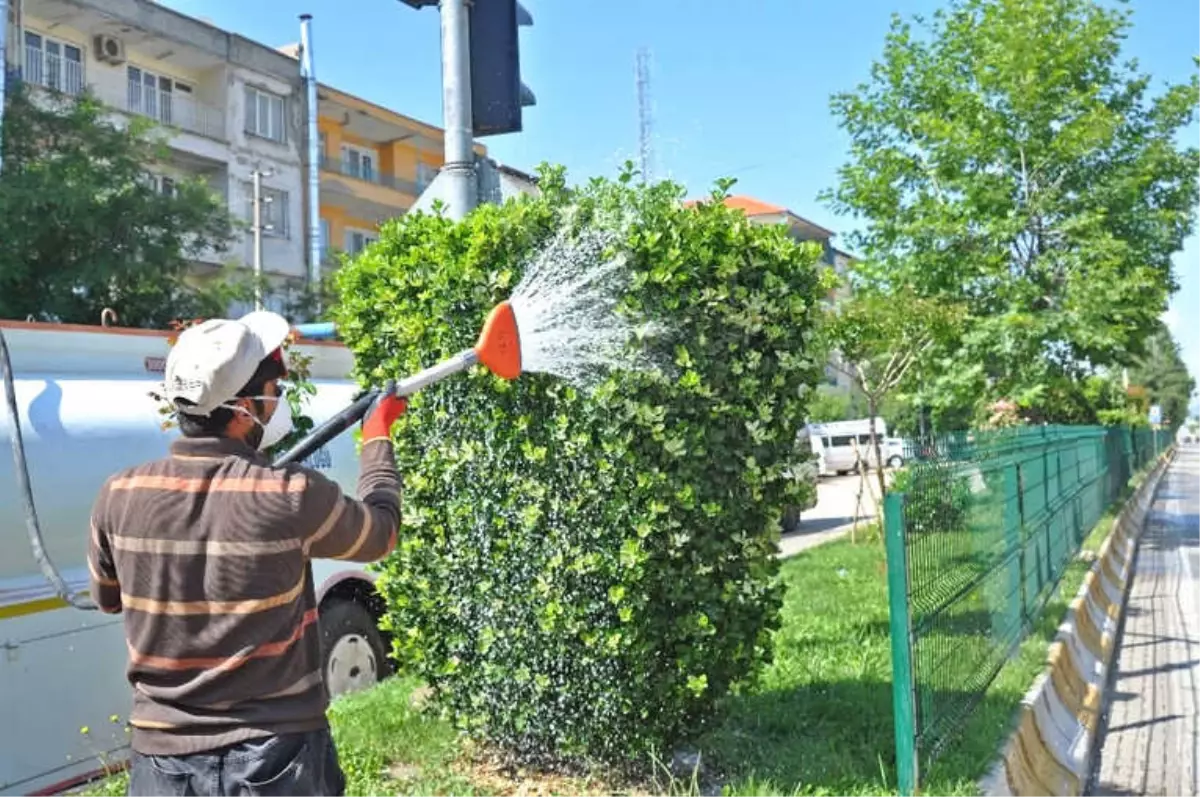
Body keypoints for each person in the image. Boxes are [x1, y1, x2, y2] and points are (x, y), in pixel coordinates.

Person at [86, 310, 408, 797]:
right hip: (275, 758)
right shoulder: (290, 496)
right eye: (274, 389)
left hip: (163, 764)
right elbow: (381, 533)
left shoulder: (119, 493)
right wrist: (378, 435)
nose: (277, 401)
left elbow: (109, 598)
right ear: (242, 409)